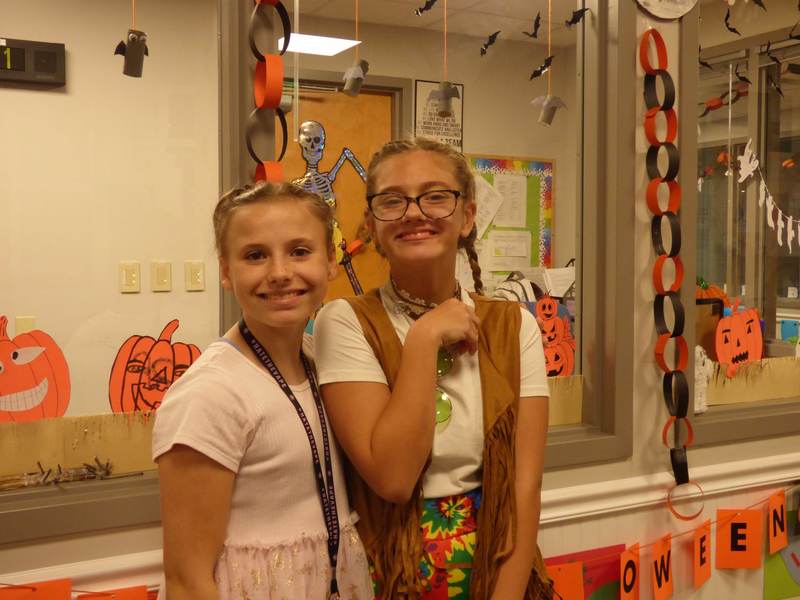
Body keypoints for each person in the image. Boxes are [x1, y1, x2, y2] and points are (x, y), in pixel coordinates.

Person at [313, 138, 553, 599]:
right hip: (386, 570)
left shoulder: (513, 326)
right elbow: (393, 477)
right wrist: (424, 339)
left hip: (496, 563)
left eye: (436, 195)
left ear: (466, 216)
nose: (413, 212)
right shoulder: (345, 322)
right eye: (392, 200)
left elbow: (525, 488)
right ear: (371, 223)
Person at [152, 182, 373, 600]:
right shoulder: (211, 394)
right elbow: (186, 579)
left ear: (330, 261)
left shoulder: (323, 363)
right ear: (225, 271)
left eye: (300, 251)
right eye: (255, 255)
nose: (280, 273)